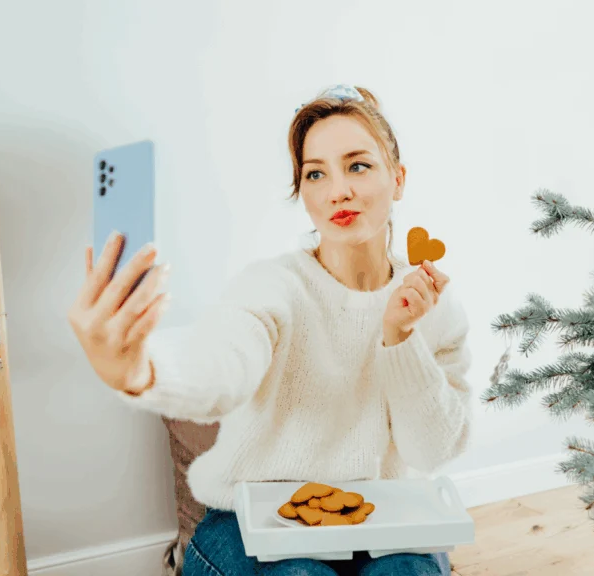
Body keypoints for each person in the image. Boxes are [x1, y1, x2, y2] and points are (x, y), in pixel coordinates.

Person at [69, 84, 471, 576]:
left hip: (380, 521)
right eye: (315, 173)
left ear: (398, 178)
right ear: (302, 192)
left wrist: (400, 338)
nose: (336, 190)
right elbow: (222, 363)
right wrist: (138, 368)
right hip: (246, 524)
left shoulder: (431, 301)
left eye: (358, 165)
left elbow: (431, 450)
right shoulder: (274, 287)